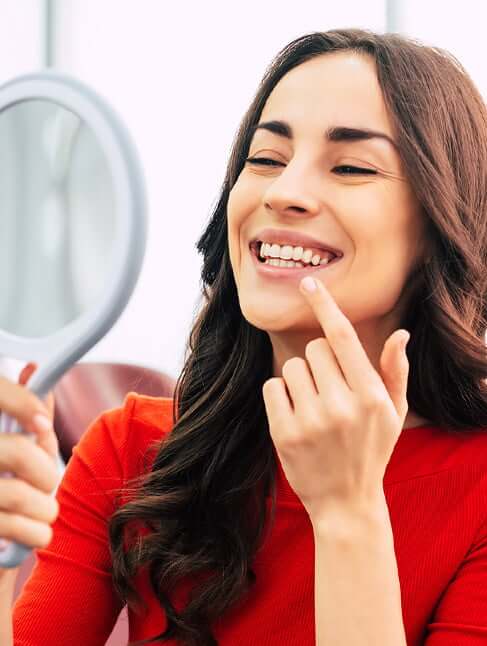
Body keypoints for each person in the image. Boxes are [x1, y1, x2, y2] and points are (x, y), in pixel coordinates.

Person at [1, 27, 486, 646]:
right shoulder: (130, 452)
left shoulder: (477, 485)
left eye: (351, 166)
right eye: (265, 160)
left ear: (442, 225)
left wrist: (347, 513)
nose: (284, 192)